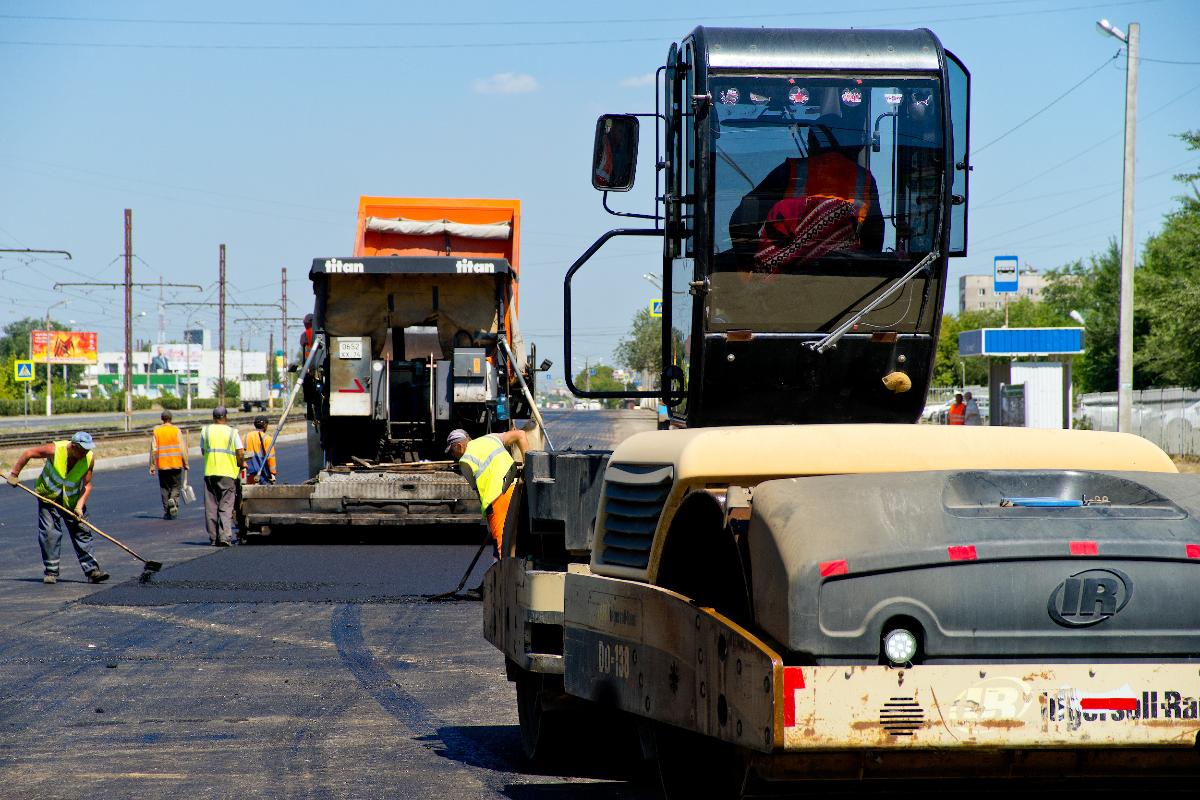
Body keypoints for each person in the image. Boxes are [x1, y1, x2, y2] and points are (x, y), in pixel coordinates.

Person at [5, 432, 108, 585]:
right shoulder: (55, 450)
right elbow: (28, 453)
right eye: (82, 450)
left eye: (87, 450)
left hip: (72, 500)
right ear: (73, 446)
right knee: (50, 532)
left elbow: (87, 485)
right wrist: (14, 474)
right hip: (49, 497)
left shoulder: (89, 458)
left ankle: (92, 571)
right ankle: (51, 571)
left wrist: (79, 507)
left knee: (82, 531)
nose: (85, 453)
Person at [446, 427, 529, 558]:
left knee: (501, 544)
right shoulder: (491, 438)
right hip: (517, 488)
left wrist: (489, 518)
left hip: (497, 499)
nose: (453, 455)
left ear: (459, 446)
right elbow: (520, 434)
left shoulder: (465, 461)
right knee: (516, 537)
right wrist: (529, 464)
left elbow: (479, 493)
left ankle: (503, 574)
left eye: (452, 451)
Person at [201, 406, 244, 546]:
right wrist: (241, 464)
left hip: (210, 473)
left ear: (213, 417)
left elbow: (203, 450)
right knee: (225, 505)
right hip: (228, 474)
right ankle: (225, 536)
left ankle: (213, 538)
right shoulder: (232, 432)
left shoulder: (205, 431)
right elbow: (240, 452)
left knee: (211, 506)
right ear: (226, 417)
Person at [149, 409, 189, 519]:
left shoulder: (157, 431)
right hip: (176, 464)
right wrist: (186, 463)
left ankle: (167, 511)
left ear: (162, 419)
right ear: (171, 419)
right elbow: (182, 448)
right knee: (176, 486)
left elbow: (153, 449)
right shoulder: (176, 430)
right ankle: (173, 500)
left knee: (164, 488)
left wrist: (152, 466)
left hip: (162, 465)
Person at [244, 415, 277, 485]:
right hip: (262, 474)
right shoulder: (267, 439)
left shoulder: (245, 436)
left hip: (247, 473)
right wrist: (273, 473)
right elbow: (270, 458)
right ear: (265, 425)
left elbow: (240, 453)